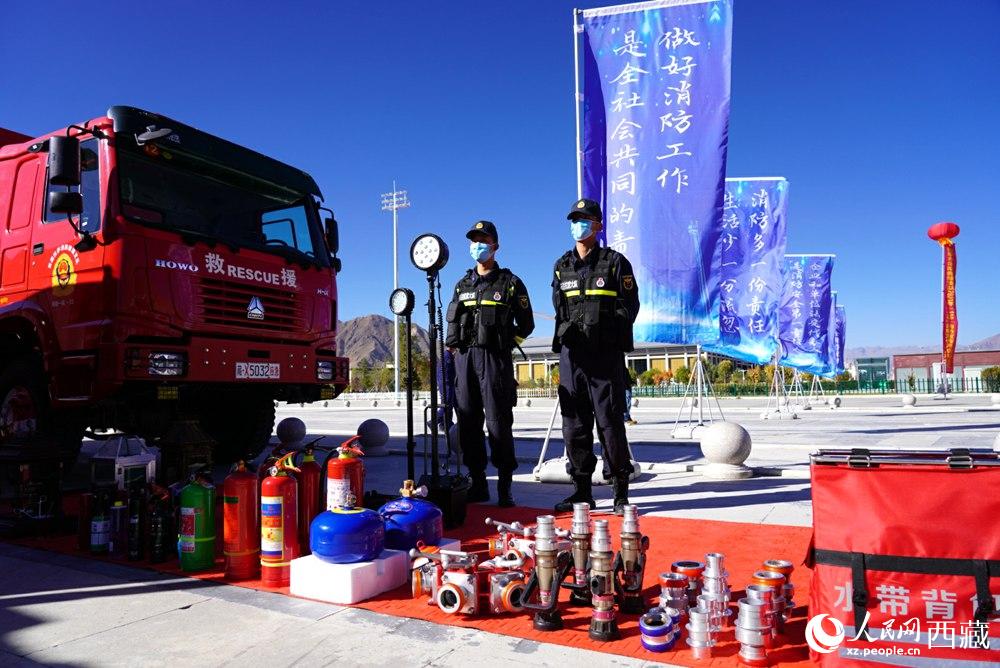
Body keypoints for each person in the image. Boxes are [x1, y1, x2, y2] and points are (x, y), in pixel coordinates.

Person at [551, 199, 640, 515]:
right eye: (574, 220)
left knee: (610, 423)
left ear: (598, 226)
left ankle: (620, 492)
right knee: (574, 425)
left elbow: (630, 306)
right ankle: (582, 491)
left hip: (604, 355)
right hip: (572, 357)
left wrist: (605, 328)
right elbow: (559, 308)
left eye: (584, 219)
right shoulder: (562, 265)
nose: (578, 225)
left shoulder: (615, 263)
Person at [446, 220, 534, 507]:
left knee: (498, 423)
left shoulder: (510, 283)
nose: (478, 245)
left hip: (494, 360)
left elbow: (527, 324)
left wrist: (506, 342)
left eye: (483, 240)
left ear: (495, 246)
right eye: (474, 240)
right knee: (468, 423)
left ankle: (505, 486)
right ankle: (478, 483)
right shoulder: (462, 285)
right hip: (465, 360)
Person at [624, 361, 638, 425]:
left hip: (627, 386)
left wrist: (632, 382)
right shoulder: (622, 369)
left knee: (627, 402)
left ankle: (627, 417)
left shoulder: (624, 369)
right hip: (626, 387)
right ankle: (626, 418)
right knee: (628, 403)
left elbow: (627, 378)